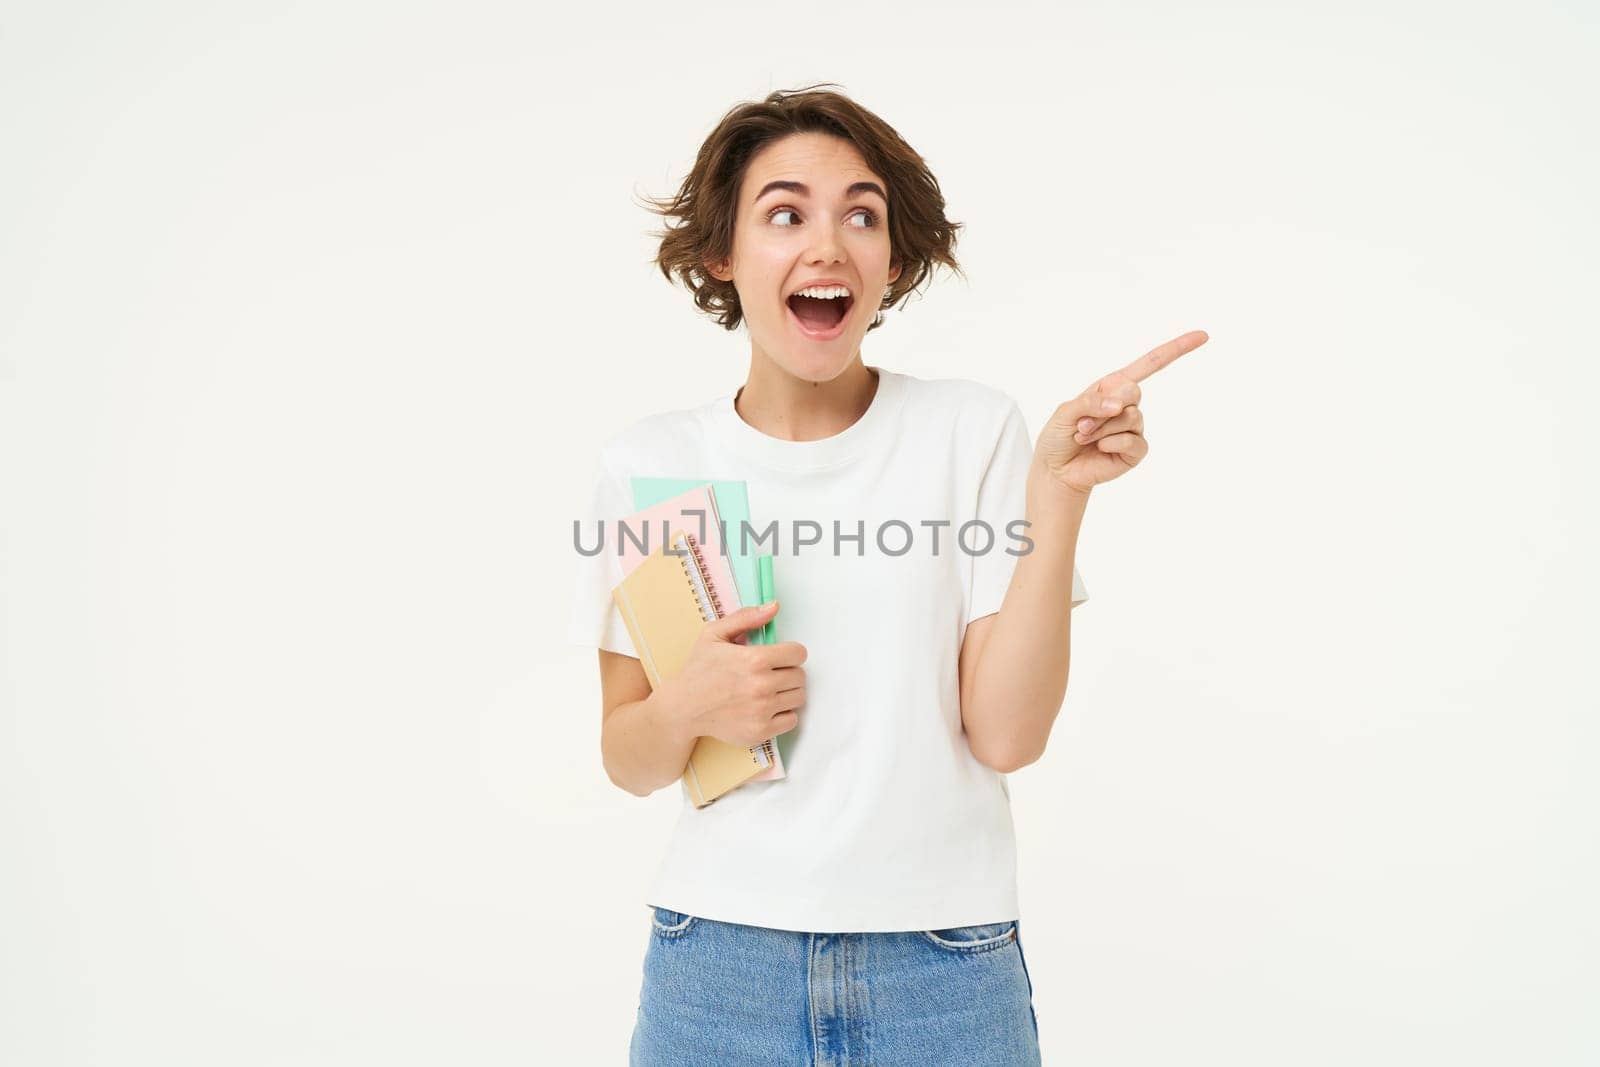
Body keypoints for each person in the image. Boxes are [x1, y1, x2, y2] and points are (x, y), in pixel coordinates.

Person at [568, 84, 1207, 1065]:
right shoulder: (654, 461)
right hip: (715, 964)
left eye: (859, 216)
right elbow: (628, 757)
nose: (825, 245)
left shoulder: (972, 432)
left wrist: (1059, 494)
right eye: (784, 213)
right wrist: (689, 703)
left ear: (893, 261)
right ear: (722, 255)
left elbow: (1007, 732)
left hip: (945, 961)